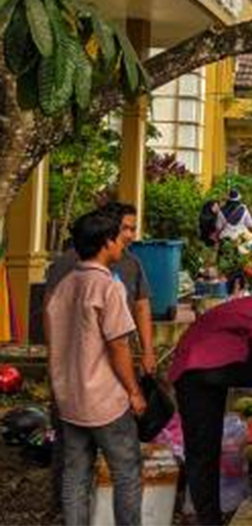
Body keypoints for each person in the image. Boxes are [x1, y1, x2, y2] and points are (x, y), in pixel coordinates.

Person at [46, 210, 146, 526]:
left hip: (70, 396)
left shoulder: (65, 286)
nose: (124, 243)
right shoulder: (107, 287)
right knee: (127, 471)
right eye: (121, 236)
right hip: (105, 400)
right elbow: (118, 347)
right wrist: (134, 392)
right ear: (107, 242)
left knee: (75, 474)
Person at [170, 296, 252, 525]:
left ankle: (208, 520)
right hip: (215, 358)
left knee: (201, 452)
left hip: (187, 369)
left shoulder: (251, 303)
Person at [45, 201, 157, 375]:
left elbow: (141, 306)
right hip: (78, 354)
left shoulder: (131, 263)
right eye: (125, 228)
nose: (130, 235)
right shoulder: (67, 265)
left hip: (114, 358)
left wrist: (148, 351)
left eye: (133, 229)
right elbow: (49, 308)